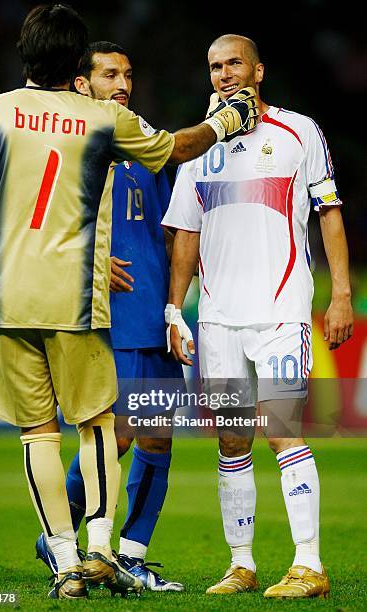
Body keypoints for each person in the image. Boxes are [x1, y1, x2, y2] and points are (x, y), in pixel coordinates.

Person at [0, 3, 259, 600]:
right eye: (106, 73)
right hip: (78, 303)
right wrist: (228, 121)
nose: (120, 84)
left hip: (7, 300)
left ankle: (72, 561)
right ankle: (99, 549)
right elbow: (177, 147)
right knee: (100, 430)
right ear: (76, 68)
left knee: (42, 437)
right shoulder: (99, 122)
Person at [163, 34, 353, 599]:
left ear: (258, 70)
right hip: (218, 318)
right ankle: (241, 565)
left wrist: (340, 294)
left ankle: (310, 566)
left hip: (280, 309)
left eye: (233, 63)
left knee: (282, 429)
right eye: (214, 66)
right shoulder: (200, 144)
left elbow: (330, 213)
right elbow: (185, 236)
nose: (223, 74)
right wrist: (177, 309)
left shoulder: (299, 132)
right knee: (230, 440)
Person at [35, 40, 184, 592]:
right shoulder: (70, 146)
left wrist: (177, 305)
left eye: (127, 73)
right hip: (106, 316)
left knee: (157, 438)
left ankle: (131, 556)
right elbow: (41, 226)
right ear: (81, 83)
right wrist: (90, 267)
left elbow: (174, 228)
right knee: (116, 437)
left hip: (155, 313)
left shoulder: (144, 144)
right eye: (108, 74)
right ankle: (60, 541)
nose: (122, 83)